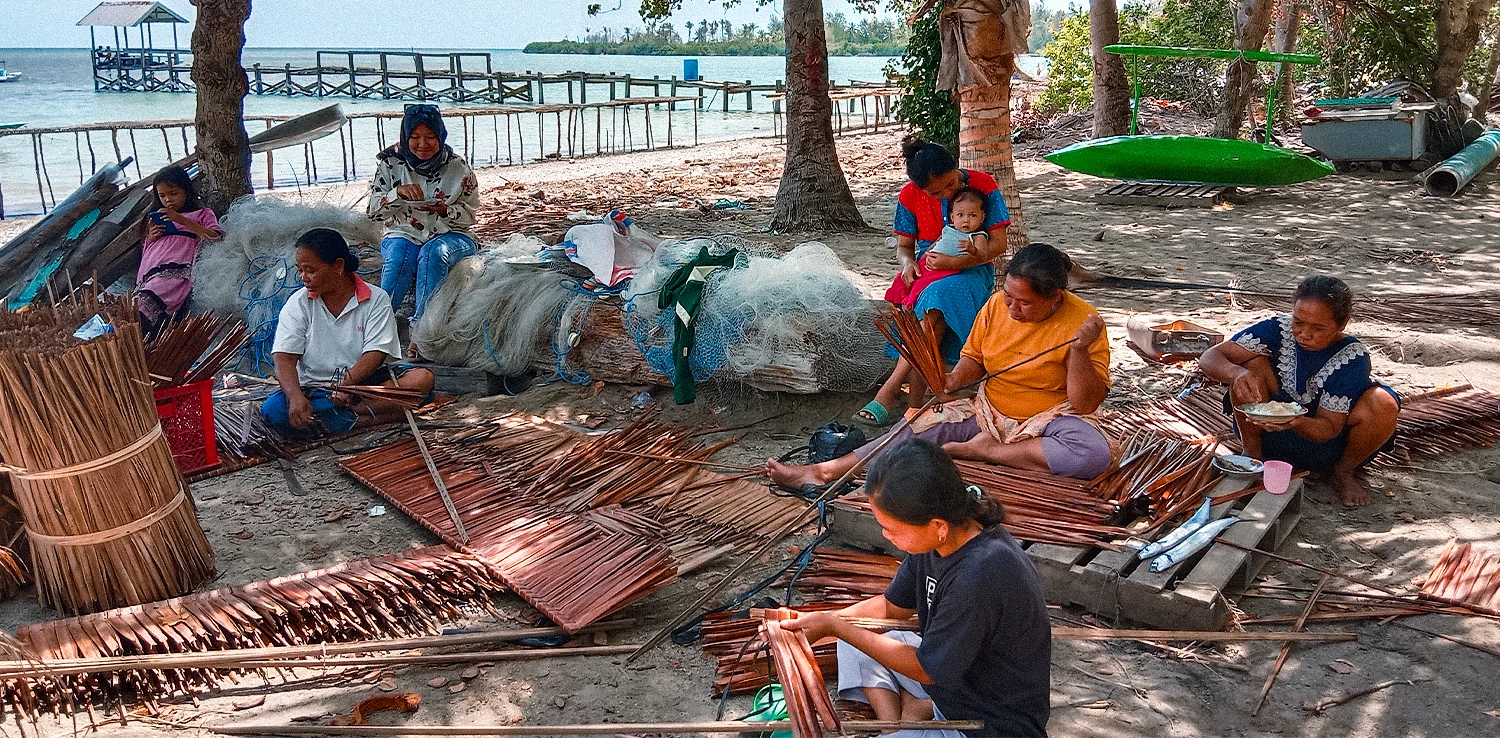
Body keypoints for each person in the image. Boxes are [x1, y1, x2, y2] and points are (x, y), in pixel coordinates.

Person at [771, 243, 1113, 488]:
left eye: (1024, 303)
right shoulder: (996, 305)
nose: (1012, 308)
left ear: (1055, 299)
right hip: (989, 413)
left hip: (1050, 420)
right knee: (913, 428)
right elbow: (975, 358)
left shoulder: (1083, 321)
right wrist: (954, 378)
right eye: (1009, 296)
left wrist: (1080, 352)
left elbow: (1084, 403)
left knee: (1092, 455)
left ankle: (990, 452)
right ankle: (826, 471)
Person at [780, 439, 1051, 738]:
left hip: (989, 724)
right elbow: (891, 607)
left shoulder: (981, 573)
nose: (886, 536)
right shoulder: (938, 538)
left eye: (892, 529)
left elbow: (925, 669)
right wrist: (825, 622)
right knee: (853, 637)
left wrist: (835, 626)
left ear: (938, 526)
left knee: (850, 633)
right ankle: (893, 725)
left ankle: (913, 718)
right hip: (954, 685)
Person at [1199, 275, 1399, 507]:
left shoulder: (1352, 357)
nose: (1304, 334)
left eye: (1318, 328)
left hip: (1326, 449)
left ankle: (1344, 471)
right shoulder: (1277, 329)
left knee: (1382, 401)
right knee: (1250, 363)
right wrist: (1236, 373)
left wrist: (1295, 421)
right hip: (1265, 435)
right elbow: (1210, 357)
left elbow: (1329, 428)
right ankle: (1252, 454)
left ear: (1342, 324)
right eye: (1298, 322)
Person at [855, 139, 1010, 427]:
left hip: (972, 269)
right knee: (931, 318)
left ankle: (889, 391)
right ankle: (915, 406)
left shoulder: (983, 185)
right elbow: (904, 248)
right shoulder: (909, 195)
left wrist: (954, 263)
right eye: (936, 193)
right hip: (928, 269)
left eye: (950, 184)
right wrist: (908, 264)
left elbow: (998, 245)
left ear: (954, 168)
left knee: (937, 298)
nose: (947, 194)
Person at [261, 228, 435, 436]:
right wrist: (294, 396)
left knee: (422, 379)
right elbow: (284, 358)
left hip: (365, 385)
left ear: (338, 266)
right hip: (316, 390)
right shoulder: (298, 303)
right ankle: (374, 415)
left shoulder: (376, 299)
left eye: (311, 270)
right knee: (273, 410)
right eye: (300, 270)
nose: (303, 278)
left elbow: (376, 353)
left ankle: (342, 418)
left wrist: (345, 386)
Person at [366, 103, 480, 359]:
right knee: (399, 256)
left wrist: (446, 210)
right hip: (403, 232)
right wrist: (397, 193)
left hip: (453, 235)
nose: (422, 144)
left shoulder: (459, 168)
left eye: (430, 137)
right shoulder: (390, 165)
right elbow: (373, 213)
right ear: (405, 137)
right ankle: (376, 325)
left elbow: (470, 216)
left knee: (432, 253)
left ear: (441, 136)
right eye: (415, 137)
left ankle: (422, 332)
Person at [138, 165, 223, 337]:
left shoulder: (202, 214)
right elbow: (146, 251)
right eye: (162, 195)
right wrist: (151, 238)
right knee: (136, 306)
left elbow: (216, 237)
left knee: (149, 301)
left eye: (173, 193)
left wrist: (181, 220)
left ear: (186, 190)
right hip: (150, 271)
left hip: (174, 271)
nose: (168, 200)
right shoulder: (155, 217)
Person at [884, 187, 992, 310]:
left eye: (973, 215)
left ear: (982, 218)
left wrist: (972, 249)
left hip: (948, 268)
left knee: (923, 283)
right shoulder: (948, 229)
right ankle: (895, 301)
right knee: (904, 278)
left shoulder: (977, 236)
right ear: (952, 217)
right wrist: (921, 260)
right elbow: (936, 244)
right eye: (960, 215)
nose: (966, 220)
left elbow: (983, 256)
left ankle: (909, 303)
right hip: (929, 261)